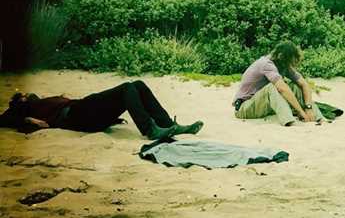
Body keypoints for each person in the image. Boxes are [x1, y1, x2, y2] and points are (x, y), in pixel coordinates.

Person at [0, 81, 203, 139]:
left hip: (87, 114)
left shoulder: (40, 101)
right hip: (75, 114)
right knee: (126, 88)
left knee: (138, 85)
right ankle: (150, 130)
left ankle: (169, 125)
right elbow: (6, 119)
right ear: (20, 103)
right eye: (23, 96)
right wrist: (30, 120)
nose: (27, 94)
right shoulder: (25, 110)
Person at [233, 41, 324, 126]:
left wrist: (309, 107)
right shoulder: (266, 64)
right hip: (244, 108)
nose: (290, 65)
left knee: (295, 86)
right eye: (290, 62)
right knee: (273, 87)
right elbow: (282, 88)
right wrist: (300, 112)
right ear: (281, 57)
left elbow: (304, 84)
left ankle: (318, 117)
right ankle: (290, 121)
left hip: (260, 106)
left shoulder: (283, 64)